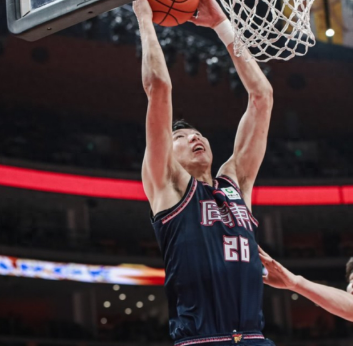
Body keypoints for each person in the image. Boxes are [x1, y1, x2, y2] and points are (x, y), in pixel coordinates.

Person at [132, 0, 275, 343]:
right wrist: (144, 17)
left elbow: (262, 96)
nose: (194, 136)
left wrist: (222, 25)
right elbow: (159, 89)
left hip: (255, 338)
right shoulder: (167, 184)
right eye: (179, 137)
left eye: (196, 132)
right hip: (202, 339)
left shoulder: (236, 181)